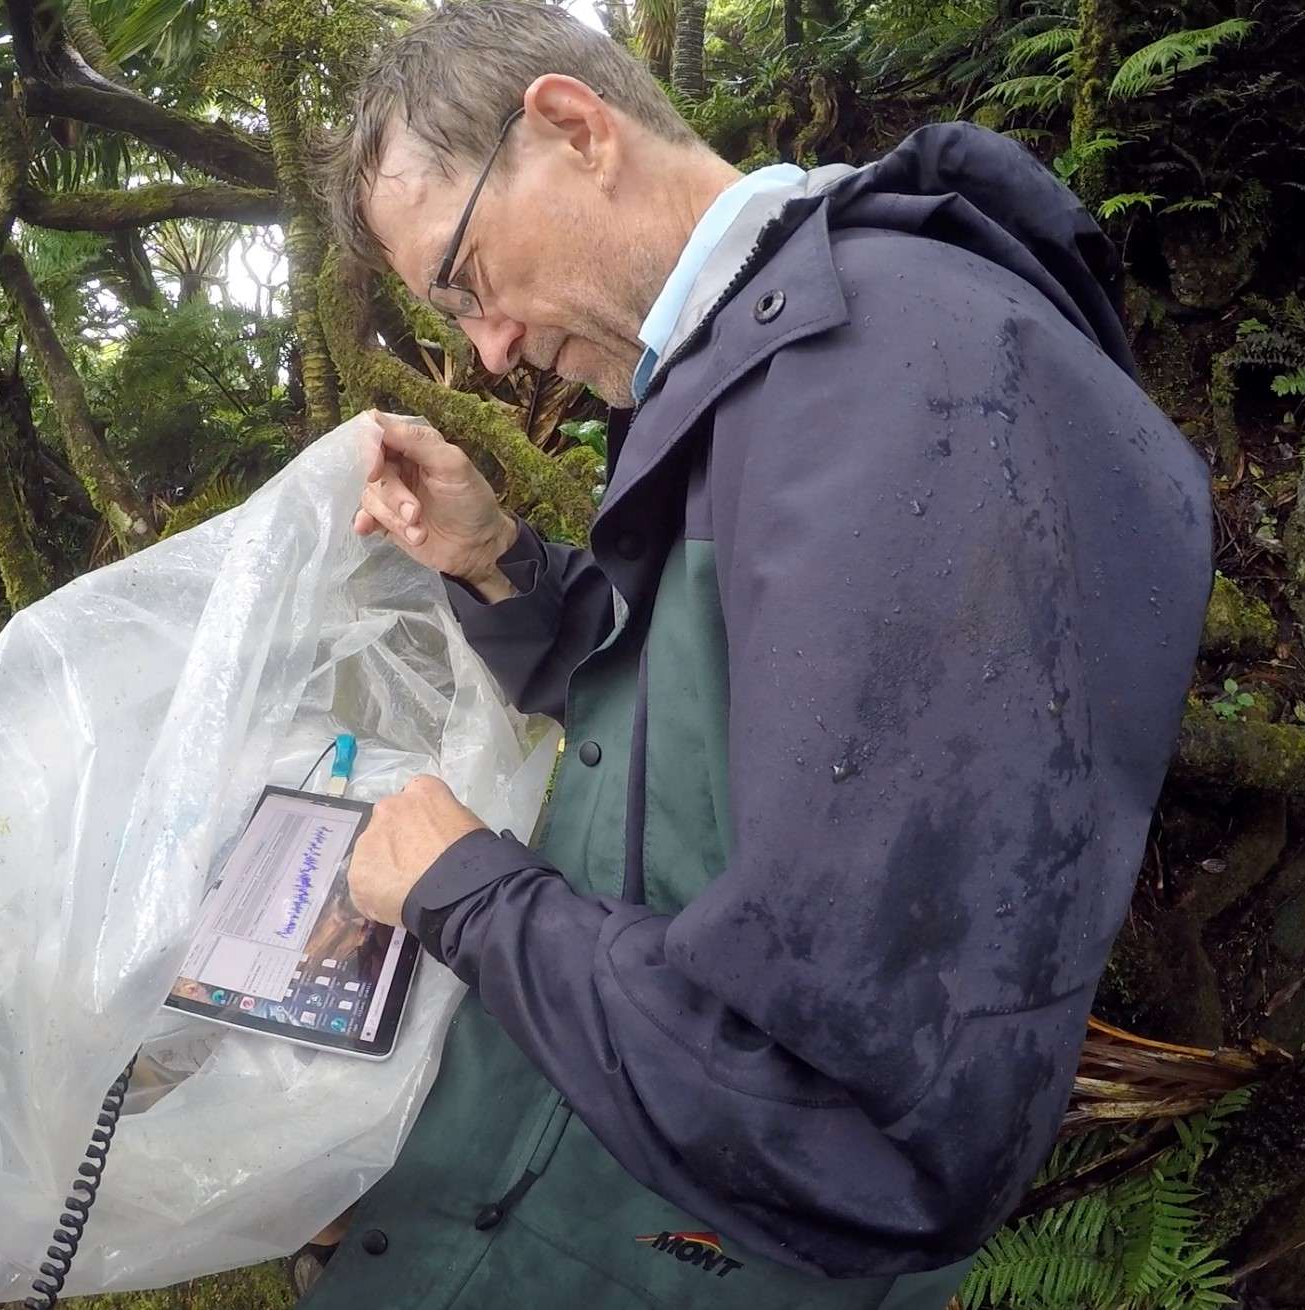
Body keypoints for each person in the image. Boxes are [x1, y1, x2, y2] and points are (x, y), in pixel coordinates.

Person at [308, 3, 1214, 1308]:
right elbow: (690, 737)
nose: (486, 348)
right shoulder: (763, 373)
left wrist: (468, 893)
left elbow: (851, 1113)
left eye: (463, 281)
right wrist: (493, 555)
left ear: (572, 127)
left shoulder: (898, 373)